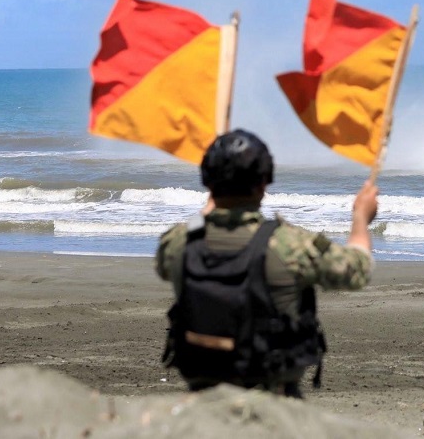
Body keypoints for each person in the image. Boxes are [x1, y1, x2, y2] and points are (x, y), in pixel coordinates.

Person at [155, 129, 377, 398]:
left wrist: (213, 199)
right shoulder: (289, 245)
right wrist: (360, 219)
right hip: (272, 396)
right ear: (264, 183)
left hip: (202, 392)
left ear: (207, 182)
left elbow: (184, 239)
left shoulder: (179, 244)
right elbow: (356, 270)